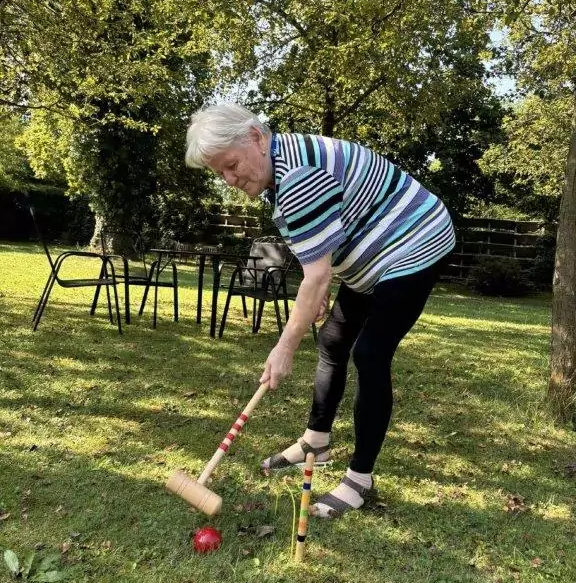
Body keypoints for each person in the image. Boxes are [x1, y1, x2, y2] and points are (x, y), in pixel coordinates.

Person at [185, 103, 455, 518]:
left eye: (232, 165)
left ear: (256, 137)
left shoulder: (297, 177)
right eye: (220, 173)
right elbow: (320, 251)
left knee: (370, 354)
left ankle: (359, 480)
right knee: (332, 339)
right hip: (373, 248)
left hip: (416, 241)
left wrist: (285, 347)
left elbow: (315, 276)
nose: (230, 180)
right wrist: (321, 281)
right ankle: (317, 442)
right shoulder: (279, 164)